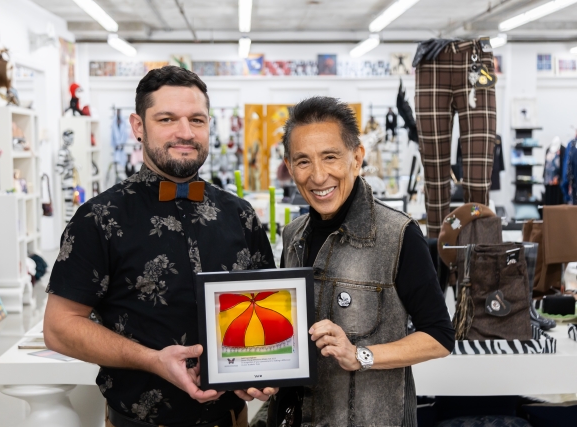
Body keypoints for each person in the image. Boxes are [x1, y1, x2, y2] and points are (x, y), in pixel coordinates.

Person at [44, 66, 277, 427]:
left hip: (231, 420)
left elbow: (266, 313)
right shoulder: (99, 218)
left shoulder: (241, 216)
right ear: (139, 126)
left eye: (197, 120)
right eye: (167, 119)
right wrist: (151, 359)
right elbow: (60, 327)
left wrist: (259, 372)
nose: (185, 132)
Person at [269, 97, 454, 426]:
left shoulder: (398, 235)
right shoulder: (293, 235)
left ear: (356, 158)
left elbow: (439, 337)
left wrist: (360, 356)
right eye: (303, 161)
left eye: (330, 157)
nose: (318, 175)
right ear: (289, 165)